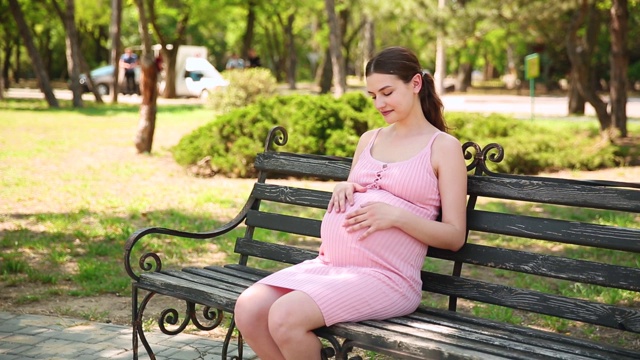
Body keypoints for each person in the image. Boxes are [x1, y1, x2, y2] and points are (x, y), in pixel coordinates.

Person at [233, 46, 468, 360]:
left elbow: (454, 236)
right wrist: (345, 186)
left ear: (415, 84)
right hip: (332, 266)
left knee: (284, 317)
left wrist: (397, 217)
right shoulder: (369, 139)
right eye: (373, 96)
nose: (379, 104)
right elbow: (363, 185)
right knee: (248, 308)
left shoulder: (442, 147)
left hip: (387, 278)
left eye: (387, 92)